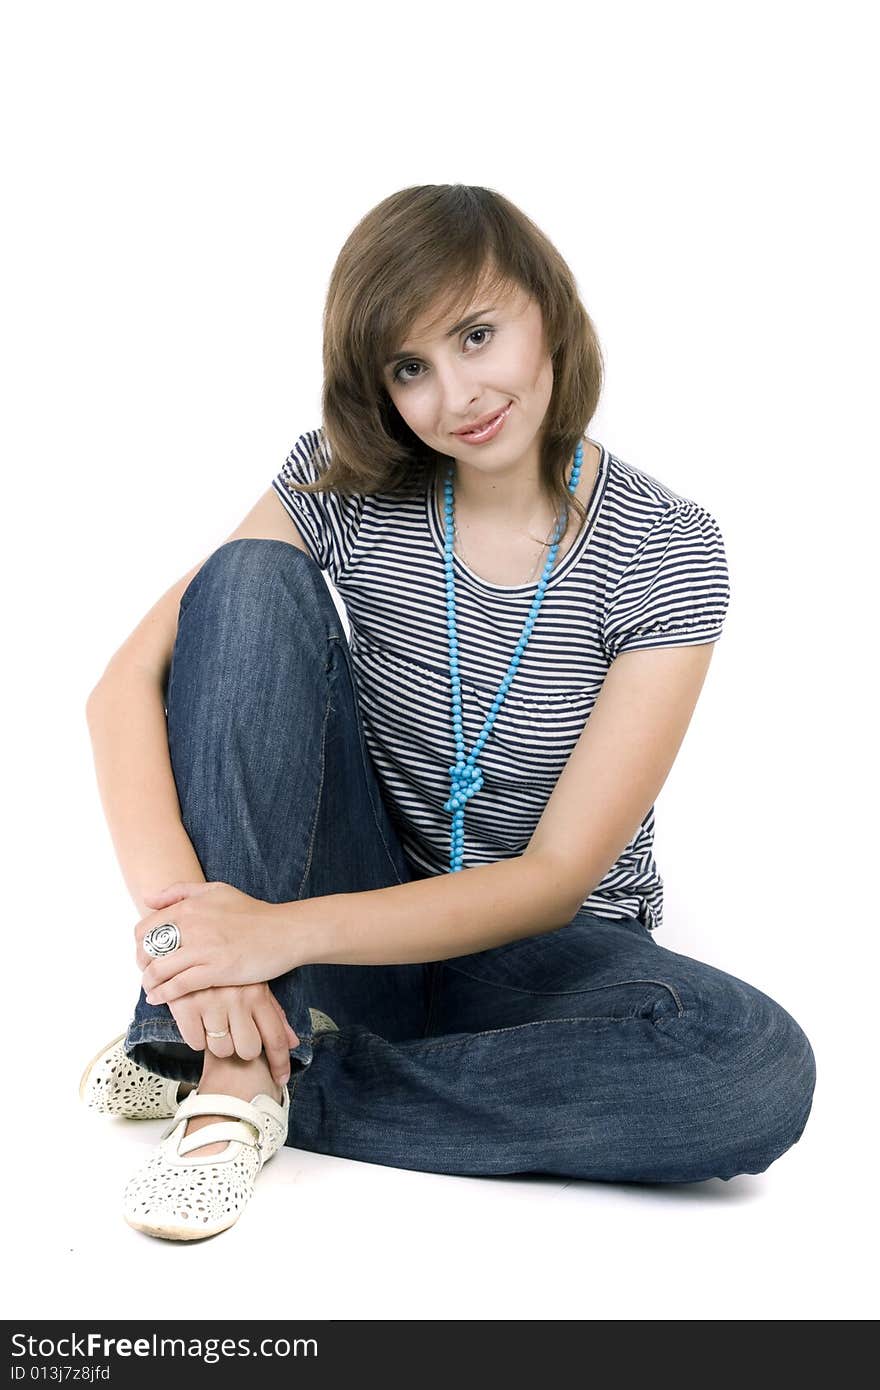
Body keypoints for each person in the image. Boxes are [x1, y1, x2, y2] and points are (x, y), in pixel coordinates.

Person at [81, 183, 816, 1242]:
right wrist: (185, 942)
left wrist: (271, 937)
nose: (458, 393)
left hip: (541, 946)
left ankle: (268, 1064)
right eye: (410, 368)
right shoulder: (340, 484)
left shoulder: (665, 550)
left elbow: (555, 879)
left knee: (749, 1068)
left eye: (477, 335)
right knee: (243, 582)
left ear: (548, 313)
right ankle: (234, 1068)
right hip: (352, 892)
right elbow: (118, 691)